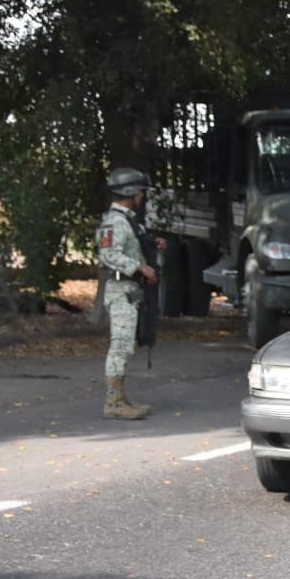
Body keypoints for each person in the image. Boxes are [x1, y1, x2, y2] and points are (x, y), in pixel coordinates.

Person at [95, 168, 160, 420]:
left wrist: (151, 246)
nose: (142, 196)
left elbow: (129, 247)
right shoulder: (115, 221)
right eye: (140, 191)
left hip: (130, 290)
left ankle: (119, 399)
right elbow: (109, 254)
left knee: (124, 345)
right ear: (130, 192)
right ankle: (114, 403)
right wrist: (140, 267)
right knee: (120, 347)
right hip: (121, 290)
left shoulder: (128, 220)